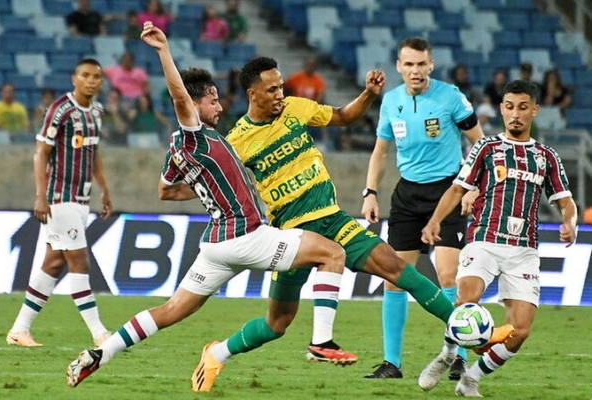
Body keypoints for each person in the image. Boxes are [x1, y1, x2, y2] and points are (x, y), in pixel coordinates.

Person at [65, 21, 349, 393]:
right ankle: (322, 342)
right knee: (332, 254)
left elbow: (166, 190)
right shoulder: (194, 131)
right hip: (247, 236)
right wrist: (164, 50)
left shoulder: (178, 147)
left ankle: (102, 353)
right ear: (197, 103)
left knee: (170, 311)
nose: (219, 104)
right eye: (212, 99)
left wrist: (211, 189)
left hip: (215, 246)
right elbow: (181, 98)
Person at [225, 56, 509, 382]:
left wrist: (368, 95)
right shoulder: (237, 141)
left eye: (280, 86)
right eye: (271, 89)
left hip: (332, 218)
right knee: (277, 323)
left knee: (399, 269)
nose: (279, 94)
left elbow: (344, 116)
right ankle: (218, 352)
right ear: (252, 93)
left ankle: (478, 337)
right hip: (291, 233)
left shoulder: (294, 108)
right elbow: (216, 183)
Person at [418, 79, 577, 397]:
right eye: (509, 107)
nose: (515, 114)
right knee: (466, 301)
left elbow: (565, 200)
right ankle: (448, 354)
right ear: (502, 109)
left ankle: (471, 379)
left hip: (524, 250)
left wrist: (569, 221)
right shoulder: (487, 148)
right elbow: (458, 188)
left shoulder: (546, 156)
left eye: (522, 107)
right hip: (485, 239)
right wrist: (435, 220)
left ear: (534, 109)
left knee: (520, 331)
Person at [361, 37, 486, 380]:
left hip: (447, 192)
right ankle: (392, 363)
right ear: (399, 67)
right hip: (407, 196)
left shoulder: (450, 97)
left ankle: (458, 356)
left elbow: (481, 144)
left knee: (448, 275)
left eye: (421, 64)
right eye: (409, 64)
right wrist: (370, 192)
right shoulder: (391, 102)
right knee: (395, 278)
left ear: (431, 65)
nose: (415, 71)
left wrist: (473, 186)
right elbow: (380, 152)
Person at [6, 58, 113, 347]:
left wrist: (104, 188)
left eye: (96, 76)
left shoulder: (97, 112)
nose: (91, 80)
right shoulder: (60, 110)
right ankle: (99, 333)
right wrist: (40, 196)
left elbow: (94, 152)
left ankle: (19, 330)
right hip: (60, 197)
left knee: (53, 264)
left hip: (82, 198)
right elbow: (40, 153)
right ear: (74, 78)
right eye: (85, 75)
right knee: (80, 262)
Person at [283, 57, 329, 145]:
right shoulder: (296, 77)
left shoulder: (318, 81)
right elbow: (285, 87)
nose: (309, 67)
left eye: (312, 66)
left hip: (310, 112)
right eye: (308, 65)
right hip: (296, 111)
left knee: (313, 132)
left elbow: (320, 96)